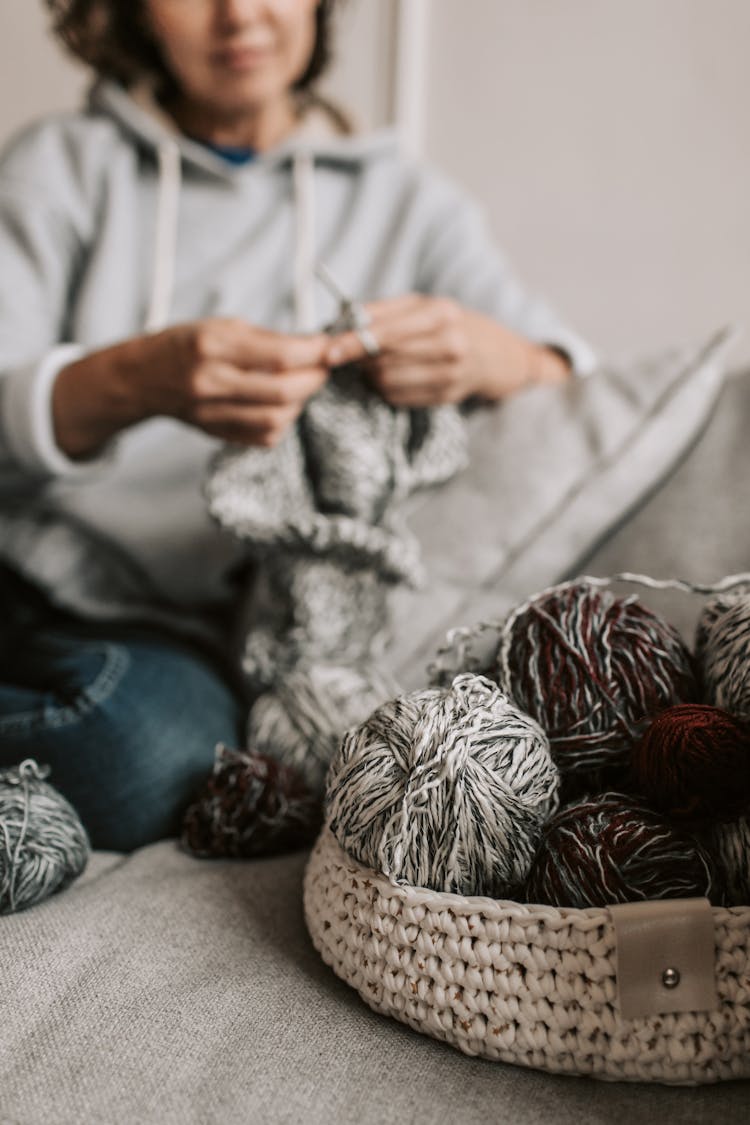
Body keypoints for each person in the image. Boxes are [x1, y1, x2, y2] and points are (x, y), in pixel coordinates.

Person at [0, 0, 596, 851]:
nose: (239, 13)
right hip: (29, 574)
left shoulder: (405, 203)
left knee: (154, 758)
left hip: (185, 636)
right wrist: (139, 377)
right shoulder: (61, 166)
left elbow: (578, 378)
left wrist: (494, 355)